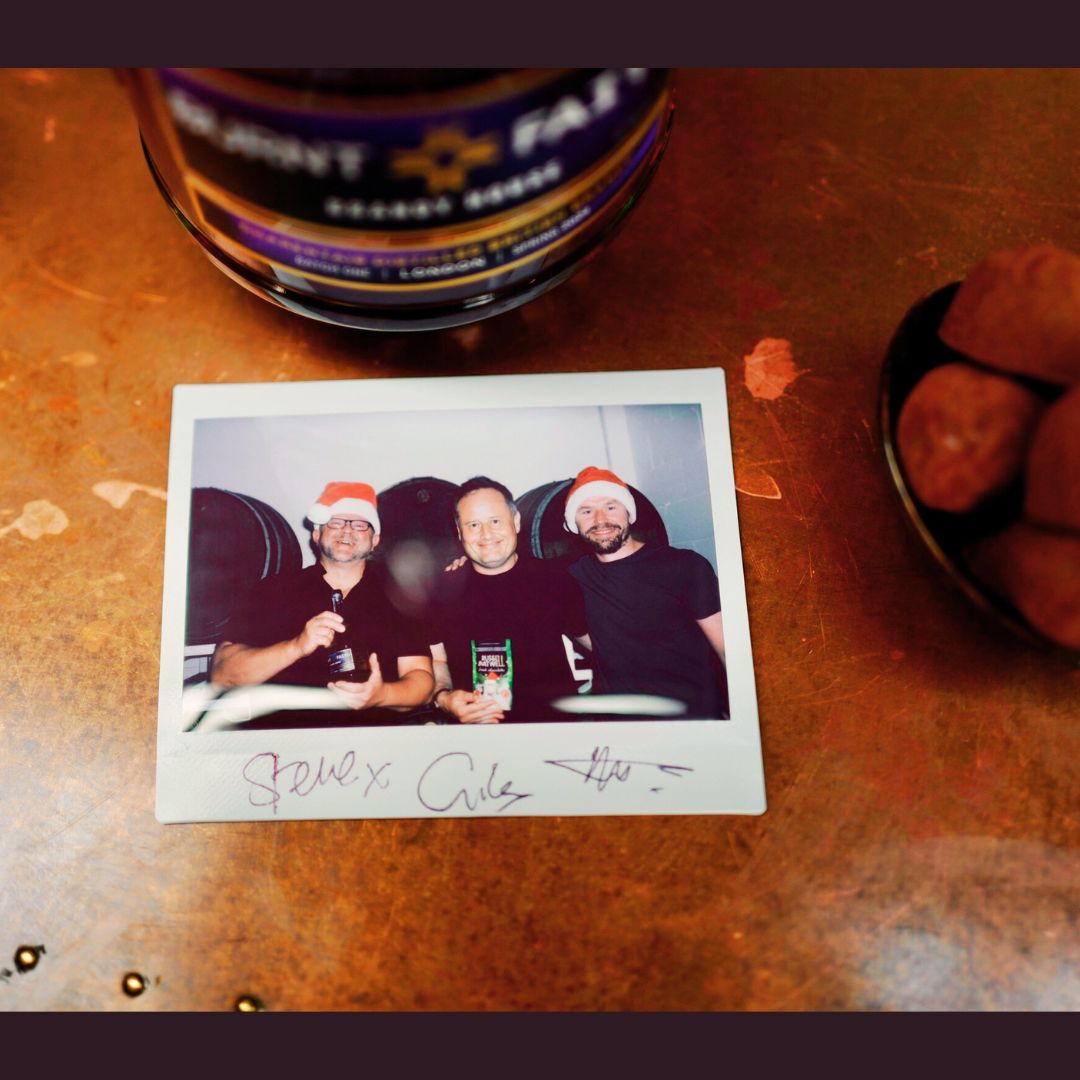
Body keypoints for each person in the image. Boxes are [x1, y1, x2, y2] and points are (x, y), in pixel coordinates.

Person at [210, 481, 434, 726]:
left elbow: (421, 680)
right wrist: (296, 646)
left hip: (373, 743)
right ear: (317, 534)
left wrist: (381, 695)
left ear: (375, 540)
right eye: (336, 522)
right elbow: (223, 673)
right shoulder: (272, 590)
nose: (347, 530)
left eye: (360, 525)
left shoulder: (400, 595)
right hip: (286, 745)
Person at [564, 465, 729, 718]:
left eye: (611, 507)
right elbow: (586, 636)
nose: (600, 520)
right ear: (573, 523)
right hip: (619, 724)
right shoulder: (574, 577)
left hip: (691, 715)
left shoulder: (684, 566)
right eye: (586, 511)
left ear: (629, 514)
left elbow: (726, 648)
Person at [427, 476, 589, 723]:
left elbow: (595, 643)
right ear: (460, 533)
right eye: (473, 525)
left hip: (553, 734)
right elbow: (437, 660)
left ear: (515, 522)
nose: (486, 534)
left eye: (495, 521)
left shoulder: (555, 580)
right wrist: (445, 698)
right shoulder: (440, 592)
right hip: (478, 737)